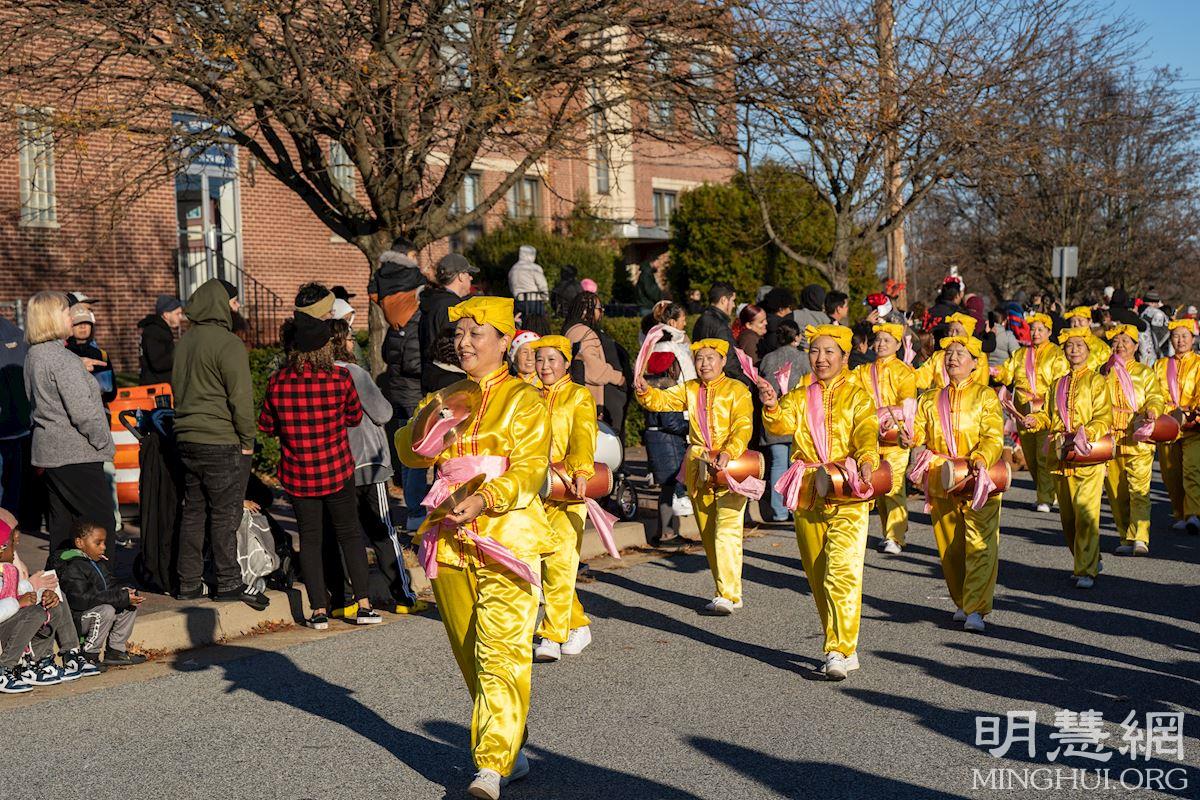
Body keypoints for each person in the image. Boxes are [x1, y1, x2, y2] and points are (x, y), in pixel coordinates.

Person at [395, 296, 550, 798]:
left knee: (500, 651)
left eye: (474, 333)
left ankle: (491, 764)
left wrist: (487, 496)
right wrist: (428, 427)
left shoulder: (525, 399)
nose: (463, 342)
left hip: (508, 537)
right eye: (458, 333)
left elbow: (531, 469)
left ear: (504, 342)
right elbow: (409, 452)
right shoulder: (444, 395)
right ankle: (510, 746)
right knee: (469, 652)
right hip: (449, 536)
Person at [759, 324, 879, 680]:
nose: (821, 358)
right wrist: (771, 405)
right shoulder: (800, 395)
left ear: (844, 357)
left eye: (829, 352)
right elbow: (781, 424)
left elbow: (866, 431)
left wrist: (867, 459)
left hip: (846, 492)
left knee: (841, 572)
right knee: (818, 574)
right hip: (809, 491)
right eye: (815, 351)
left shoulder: (858, 397)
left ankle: (837, 649)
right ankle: (845, 645)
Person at [259, 313, 379, 629]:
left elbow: (266, 425)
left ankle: (318, 610)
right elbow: (354, 417)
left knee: (310, 539)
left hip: (299, 472)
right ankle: (364, 605)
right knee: (350, 534)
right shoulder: (340, 379)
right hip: (337, 467)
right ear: (325, 348)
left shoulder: (278, 382)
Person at [635, 338, 758, 615]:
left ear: (723, 361)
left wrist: (729, 451)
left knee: (727, 529)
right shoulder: (690, 389)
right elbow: (662, 401)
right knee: (710, 532)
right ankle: (730, 590)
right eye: (699, 359)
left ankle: (726, 594)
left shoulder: (737, 390)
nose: (704, 364)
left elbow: (743, 425)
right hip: (700, 466)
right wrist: (646, 392)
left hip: (732, 465)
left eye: (710, 358)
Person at [172, 279, 265, 609]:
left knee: (193, 512)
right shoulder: (228, 343)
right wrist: (247, 440)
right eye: (233, 302)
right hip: (219, 438)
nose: (236, 308)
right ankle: (228, 581)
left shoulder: (184, 342)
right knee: (225, 513)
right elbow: (241, 397)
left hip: (186, 437)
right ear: (221, 305)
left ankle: (188, 582)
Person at [901, 337, 1004, 632]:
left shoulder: (985, 396)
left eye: (960, 354)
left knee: (980, 545)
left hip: (977, 476)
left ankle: (976, 608)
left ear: (975, 363)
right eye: (949, 353)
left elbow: (993, 436)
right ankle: (962, 601)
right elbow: (919, 431)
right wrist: (909, 438)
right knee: (951, 548)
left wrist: (982, 457)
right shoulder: (930, 398)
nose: (953, 358)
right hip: (942, 476)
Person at [329, 319, 426, 614]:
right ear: (341, 342)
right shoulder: (354, 372)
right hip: (368, 460)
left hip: (335, 464)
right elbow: (382, 412)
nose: (352, 343)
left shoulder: (317, 375)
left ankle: (345, 599)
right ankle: (403, 597)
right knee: (383, 531)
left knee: (344, 533)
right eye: (349, 338)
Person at [23, 291, 116, 559]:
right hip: (76, 454)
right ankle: (101, 580)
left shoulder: (35, 355)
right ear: (52, 318)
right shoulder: (62, 359)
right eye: (67, 312)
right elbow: (83, 413)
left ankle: (63, 579)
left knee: (63, 528)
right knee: (100, 525)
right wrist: (102, 441)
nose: (72, 317)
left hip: (50, 453)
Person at [1019, 328, 1113, 588]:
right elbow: (1048, 417)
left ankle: (1085, 570)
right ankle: (1091, 557)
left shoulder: (1096, 381)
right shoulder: (1057, 383)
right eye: (1070, 345)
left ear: (1088, 350)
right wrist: (1034, 420)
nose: (1074, 350)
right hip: (1061, 456)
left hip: (1088, 456)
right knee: (1069, 520)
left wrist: (1087, 433)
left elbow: (1103, 417)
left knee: (1085, 513)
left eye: (1079, 345)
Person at [530, 335, 598, 663]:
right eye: (539, 359)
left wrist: (582, 470)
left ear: (567, 363)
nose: (544, 366)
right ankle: (577, 624)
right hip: (533, 492)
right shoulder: (528, 394)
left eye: (551, 360)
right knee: (546, 566)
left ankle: (552, 635)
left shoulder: (578, 395)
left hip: (569, 489)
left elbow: (583, 435)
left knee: (560, 562)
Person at [0, 510, 96, 691]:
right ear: (2, 548)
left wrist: (42, 592)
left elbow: (16, 590)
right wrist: (20, 601)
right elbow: (11, 600)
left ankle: (63, 656)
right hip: (6, 624)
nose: (17, 544)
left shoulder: (8, 568)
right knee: (36, 613)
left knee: (54, 597)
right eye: (13, 542)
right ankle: (6, 668)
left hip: (13, 615)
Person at [372, 238, 429, 533]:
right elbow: (414, 361)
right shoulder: (414, 315)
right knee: (417, 452)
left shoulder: (393, 319)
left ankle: (413, 505)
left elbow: (388, 354)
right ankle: (416, 509)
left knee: (408, 450)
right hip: (413, 390)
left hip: (397, 386)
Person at [992, 312, 1069, 513]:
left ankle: (1045, 497)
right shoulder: (1020, 354)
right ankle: (1047, 490)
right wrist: (996, 372)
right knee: (1031, 456)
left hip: (1045, 410)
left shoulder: (1056, 354)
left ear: (1049, 332)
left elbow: (1060, 381)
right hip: (1022, 411)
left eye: (1040, 330)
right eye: (1033, 329)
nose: (1035, 333)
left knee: (1043, 455)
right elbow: (1008, 372)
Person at [852, 323, 916, 555]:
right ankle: (889, 531)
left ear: (898, 345)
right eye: (878, 339)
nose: (880, 344)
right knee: (878, 486)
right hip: (871, 436)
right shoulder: (863, 370)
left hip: (894, 436)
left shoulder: (904, 372)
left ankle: (895, 536)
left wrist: (892, 416)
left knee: (894, 486)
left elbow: (907, 402)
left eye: (887, 340)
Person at [1102, 325, 1164, 556]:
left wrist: (1152, 410)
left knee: (1139, 488)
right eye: (1116, 341)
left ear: (1136, 346)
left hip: (1138, 436)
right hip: (1111, 437)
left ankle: (1140, 536)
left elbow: (1155, 397)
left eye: (1125, 341)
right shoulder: (1104, 370)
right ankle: (1125, 536)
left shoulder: (1144, 372)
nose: (1120, 346)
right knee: (1116, 491)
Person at [53, 520, 146, 667]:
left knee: (129, 605)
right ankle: (89, 654)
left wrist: (127, 591)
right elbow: (80, 599)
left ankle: (116, 651)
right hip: (77, 618)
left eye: (104, 543)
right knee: (106, 610)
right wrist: (119, 597)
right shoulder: (72, 566)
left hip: (93, 612)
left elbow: (110, 584)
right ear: (79, 543)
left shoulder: (94, 561)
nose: (104, 547)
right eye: (98, 543)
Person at [642, 303, 695, 542]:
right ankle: (666, 533)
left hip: (657, 429)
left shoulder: (652, 351)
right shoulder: (672, 356)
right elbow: (672, 415)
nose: (685, 323)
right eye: (682, 319)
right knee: (672, 482)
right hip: (670, 429)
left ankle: (667, 531)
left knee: (667, 484)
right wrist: (689, 426)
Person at [758, 319, 805, 523]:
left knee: (778, 464)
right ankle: (794, 506)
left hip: (773, 415)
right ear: (797, 337)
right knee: (796, 464)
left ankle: (779, 511)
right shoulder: (803, 359)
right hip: (796, 417)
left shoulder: (768, 359)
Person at [1156, 319, 1200, 532]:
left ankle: (1194, 514)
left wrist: (1191, 412)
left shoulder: (1199, 364)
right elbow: (1154, 394)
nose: (1180, 340)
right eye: (1176, 336)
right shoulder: (1160, 365)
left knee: (1192, 470)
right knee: (1170, 474)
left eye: (1185, 336)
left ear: (1193, 339)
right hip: (1167, 427)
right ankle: (1180, 512)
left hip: (1194, 427)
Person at [420, 253, 479, 394]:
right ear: (460, 276)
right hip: (450, 380)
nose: (471, 278)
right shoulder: (453, 307)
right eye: (468, 274)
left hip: (432, 375)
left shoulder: (432, 301)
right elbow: (454, 346)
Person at [563, 292, 627, 421]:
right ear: (586, 310)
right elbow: (591, 366)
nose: (601, 312)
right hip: (593, 397)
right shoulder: (583, 332)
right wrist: (619, 378)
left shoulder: (573, 330)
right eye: (599, 308)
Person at [0, 312, 32, 520]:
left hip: (15, 427)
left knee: (10, 496)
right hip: (16, 425)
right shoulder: (16, 336)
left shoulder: (16, 337)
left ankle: (7, 535)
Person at [915, 312, 990, 391]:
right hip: (941, 398)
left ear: (968, 333)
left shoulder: (978, 356)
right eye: (951, 331)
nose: (953, 335)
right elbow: (923, 377)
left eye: (957, 331)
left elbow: (982, 386)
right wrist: (908, 374)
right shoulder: (939, 356)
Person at [692, 283, 747, 384]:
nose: (734, 305)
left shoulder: (701, 319)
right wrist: (745, 384)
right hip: (723, 384)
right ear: (724, 300)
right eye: (733, 301)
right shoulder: (720, 325)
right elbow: (729, 362)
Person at [65, 303, 116, 404]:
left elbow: (111, 393)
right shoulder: (64, 354)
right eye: (78, 323)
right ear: (69, 326)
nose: (83, 326)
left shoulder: (102, 355)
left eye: (86, 322)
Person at [137, 295, 185, 386]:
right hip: (157, 387)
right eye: (177, 314)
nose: (181, 317)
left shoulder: (161, 330)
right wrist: (180, 356)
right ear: (166, 314)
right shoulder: (154, 332)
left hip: (162, 384)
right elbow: (158, 363)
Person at [1061, 306, 1110, 370]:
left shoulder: (1102, 347)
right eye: (1073, 321)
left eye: (1080, 320)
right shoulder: (1065, 343)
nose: (1076, 324)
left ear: (1090, 321)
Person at [508, 244, 549, 320]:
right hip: (534, 302)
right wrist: (545, 297)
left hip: (518, 301)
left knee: (522, 322)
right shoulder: (534, 268)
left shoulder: (513, 269)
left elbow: (511, 286)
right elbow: (542, 284)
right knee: (539, 322)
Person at [756, 287, 796, 357]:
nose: (791, 311)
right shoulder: (781, 328)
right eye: (789, 307)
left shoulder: (767, 322)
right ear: (781, 309)